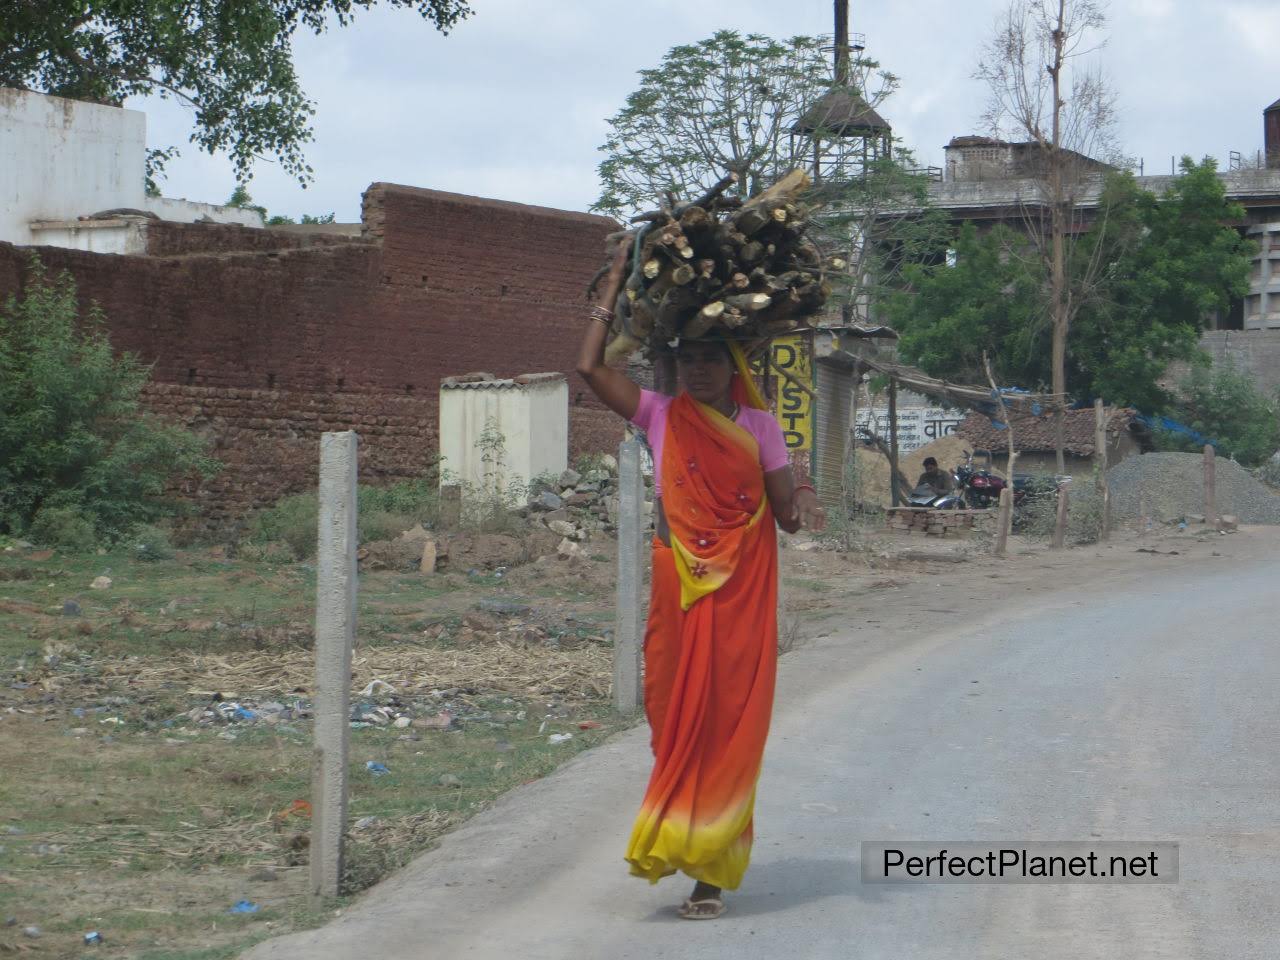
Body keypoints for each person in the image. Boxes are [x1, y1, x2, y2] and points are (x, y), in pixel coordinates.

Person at [576, 244, 825, 920]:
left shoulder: (763, 430)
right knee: (670, 716)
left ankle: (709, 872)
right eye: (690, 360)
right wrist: (613, 289)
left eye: (713, 359)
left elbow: (787, 520)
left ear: (732, 364)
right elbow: (588, 368)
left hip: (738, 598)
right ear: (678, 367)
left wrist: (801, 496)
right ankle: (680, 828)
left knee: (724, 724)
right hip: (676, 591)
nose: (701, 370)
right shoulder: (661, 415)